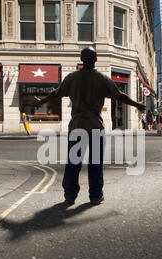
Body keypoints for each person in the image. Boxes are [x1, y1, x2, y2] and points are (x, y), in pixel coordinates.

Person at [28, 47, 146, 206]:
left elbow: (55, 94)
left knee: (73, 163)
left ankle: (70, 196)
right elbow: (120, 96)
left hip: (77, 126)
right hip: (95, 127)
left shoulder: (72, 78)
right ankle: (95, 195)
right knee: (95, 163)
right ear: (95, 59)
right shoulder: (102, 79)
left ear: (81, 59)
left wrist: (40, 102)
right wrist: (137, 104)